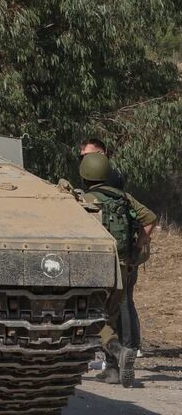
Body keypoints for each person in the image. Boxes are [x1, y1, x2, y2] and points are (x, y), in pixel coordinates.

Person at [78, 149, 156, 387]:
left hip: (94, 269)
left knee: (90, 316)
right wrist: (135, 252)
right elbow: (150, 218)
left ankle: (118, 350)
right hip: (122, 266)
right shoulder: (124, 197)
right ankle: (112, 370)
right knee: (110, 316)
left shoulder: (82, 199)